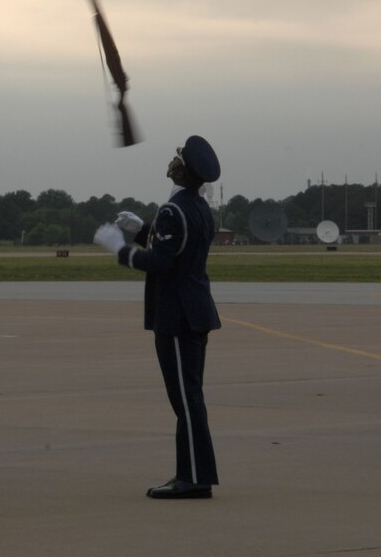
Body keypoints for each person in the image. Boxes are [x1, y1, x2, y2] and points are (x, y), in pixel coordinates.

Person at [93, 135, 222, 499]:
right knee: (188, 397)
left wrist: (121, 249)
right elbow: (177, 247)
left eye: (176, 159)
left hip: (177, 315)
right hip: (195, 310)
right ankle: (191, 473)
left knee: (186, 399)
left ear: (182, 170)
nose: (172, 162)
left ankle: (195, 478)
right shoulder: (198, 208)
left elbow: (162, 262)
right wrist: (144, 231)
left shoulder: (173, 209)